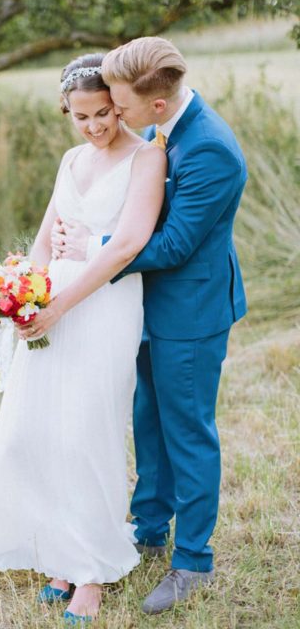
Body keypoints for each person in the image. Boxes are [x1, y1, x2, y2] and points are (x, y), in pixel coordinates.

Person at [0, 53, 166, 625]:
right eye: (82, 117)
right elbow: (44, 243)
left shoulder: (147, 157)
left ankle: (93, 572)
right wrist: (21, 295)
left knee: (85, 432)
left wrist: (56, 307)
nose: (96, 126)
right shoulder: (72, 159)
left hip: (103, 306)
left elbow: (126, 245)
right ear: (66, 113)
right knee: (42, 430)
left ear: (117, 105)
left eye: (104, 113)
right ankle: (60, 554)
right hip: (50, 305)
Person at [48, 37, 248, 614]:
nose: (114, 114)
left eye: (121, 105)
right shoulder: (171, 128)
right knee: (149, 421)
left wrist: (97, 246)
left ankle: (192, 561)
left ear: (155, 105)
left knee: (187, 430)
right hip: (141, 305)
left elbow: (179, 242)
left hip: (189, 311)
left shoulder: (209, 148)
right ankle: (151, 528)